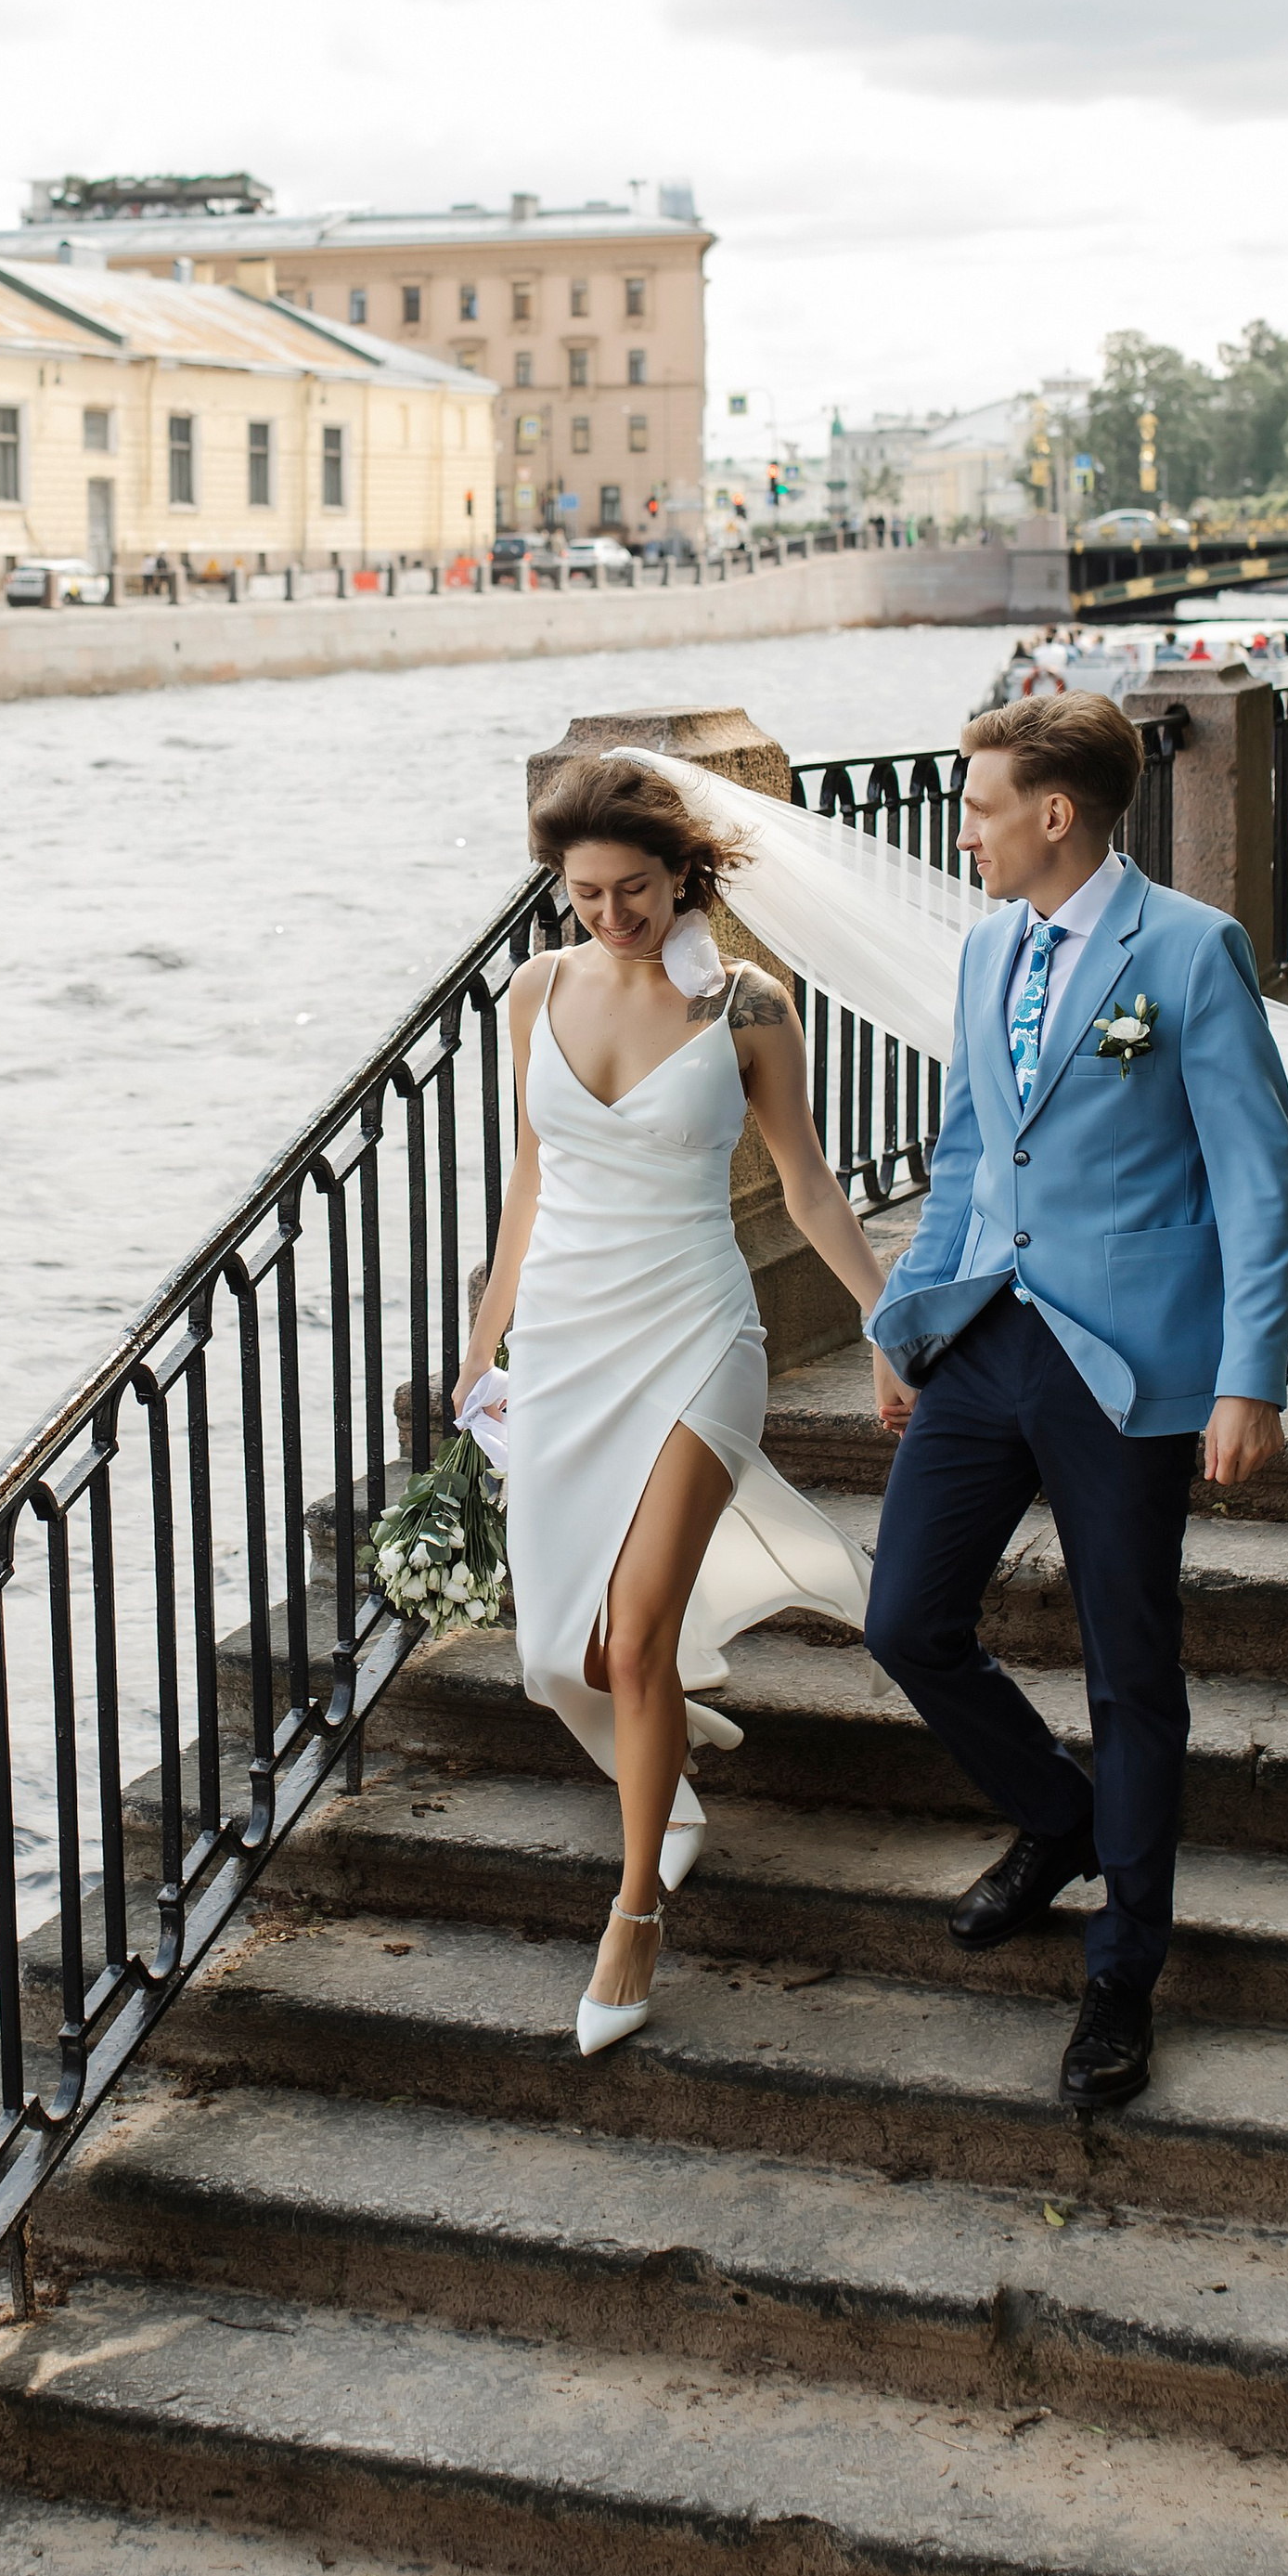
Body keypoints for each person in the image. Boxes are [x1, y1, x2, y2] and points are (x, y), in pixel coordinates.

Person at [863, 692, 1288, 2115]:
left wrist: (1248, 1376)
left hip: (1130, 1363)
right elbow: (968, 1150)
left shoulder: (1187, 950)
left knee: (1131, 1668)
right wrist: (905, 1319)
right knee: (906, 1619)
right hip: (987, 1337)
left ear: (1057, 814)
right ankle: (1058, 1820)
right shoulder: (990, 947)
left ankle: (1124, 1971)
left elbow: (1255, 1176)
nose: (966, 829)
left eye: (982, 805)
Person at [452, 756, 889, 2060]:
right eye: (582, 893)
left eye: (630, 890)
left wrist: (888, 1320)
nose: (608, 915)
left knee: (634, 1639)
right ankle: (663, 1756)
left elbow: (807, 1186)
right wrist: (481, 1350)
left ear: (681, 872)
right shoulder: (536, 988)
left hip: (697, 1334)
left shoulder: (747, 1003)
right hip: (571, 1346)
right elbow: (530, 1178)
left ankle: (637, 1905)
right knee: (554, 1658)